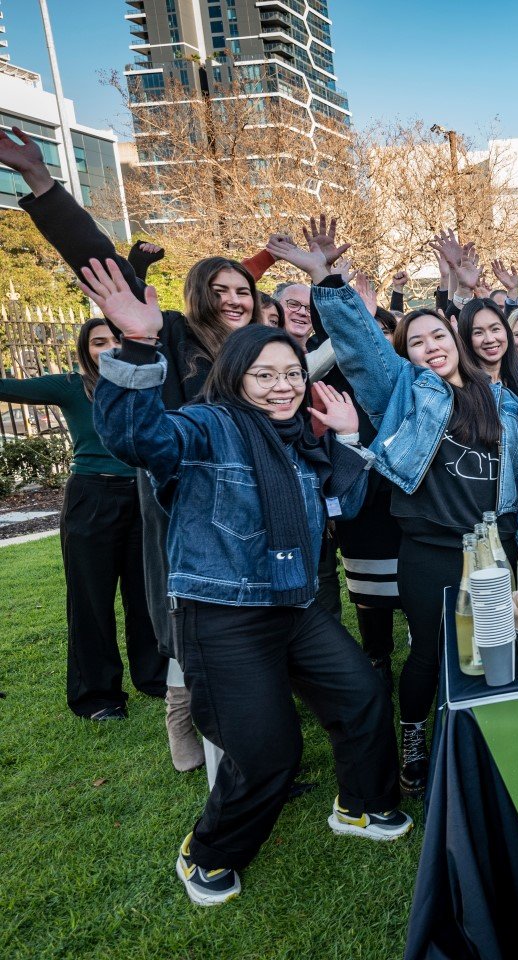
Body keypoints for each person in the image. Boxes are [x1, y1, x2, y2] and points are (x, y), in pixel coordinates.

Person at [81, 259, 408, 906]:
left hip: (295, 604)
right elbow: (137, 437)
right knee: (267, 754)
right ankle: (207, 853)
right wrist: (140, 345)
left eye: (292, 373)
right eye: (266, 375)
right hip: (222, 612)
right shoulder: (208, 428)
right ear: (236, 378)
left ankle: (362, 805)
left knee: (363, 695)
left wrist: (347, 440)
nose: (283, 386)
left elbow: (336, 504)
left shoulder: (299, 439)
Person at [2, 124, 298, 772]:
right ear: (197, 300)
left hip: (254, 505)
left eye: (241, 291)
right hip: (181, 495)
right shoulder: (171, 336)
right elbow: (99, 265)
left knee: (254, 620)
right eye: (217, 292)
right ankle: (200, 737)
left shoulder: (262, 354)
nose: (231, 299)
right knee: (190, 617)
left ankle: (237, 732)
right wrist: (42, 184)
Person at [295, 239, 518, 796]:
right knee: (429, 649)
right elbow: (363, 350)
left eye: (439, 336)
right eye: (416, 341)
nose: (430, 346)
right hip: (431, 549)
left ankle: (487, 731)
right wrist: (328, 282)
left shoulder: (504, 402)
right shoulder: (402, 390)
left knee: (496, 642)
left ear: (459, 342)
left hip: (493, 546)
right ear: (409, 353)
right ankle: (415, 737)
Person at [0, 318, 166, 721]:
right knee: (91, 599)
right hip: (92, 497)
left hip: (144, 494)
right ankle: (98, 696)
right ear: (84, 349)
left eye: (116, 339)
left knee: (147, 594)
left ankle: (155, 677)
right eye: (98, 342)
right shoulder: (73, 387)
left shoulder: (148, 382)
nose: (109, 347)